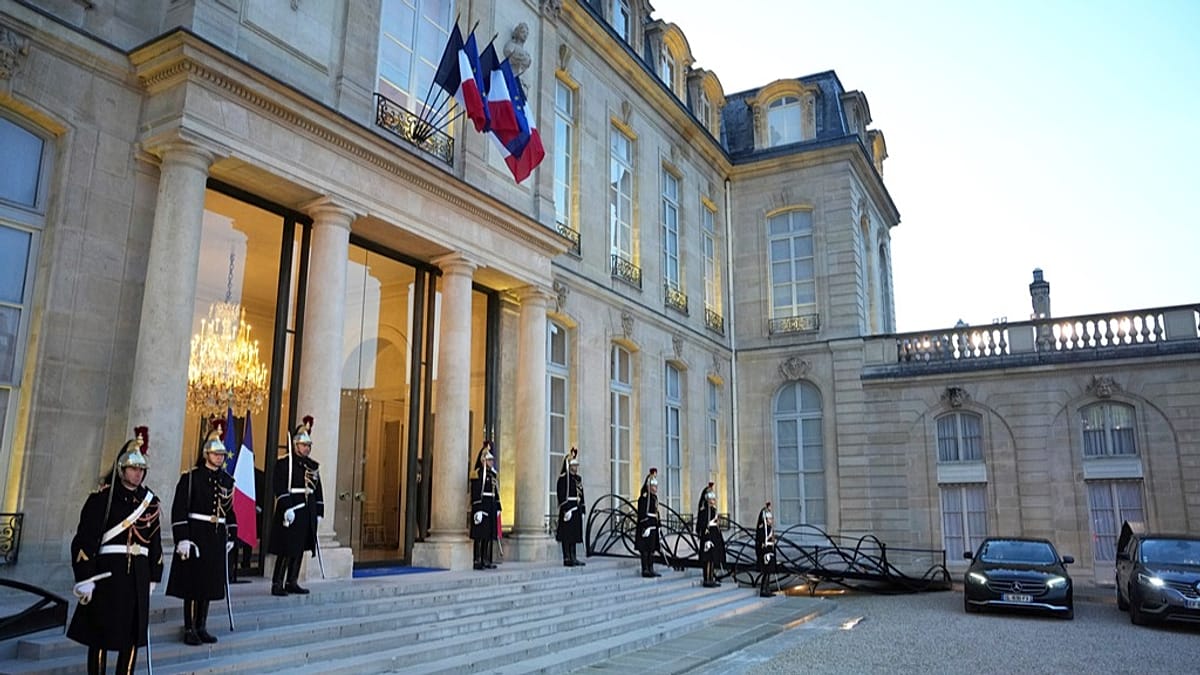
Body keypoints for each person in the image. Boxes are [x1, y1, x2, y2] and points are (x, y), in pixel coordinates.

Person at [67, 428, 163, 675]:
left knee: (132, 636)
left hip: (138, 575)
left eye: (141, 469)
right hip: (109, 574)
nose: (138, 473)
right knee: (100, 634)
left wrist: (154, 574)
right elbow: (85, 539)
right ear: (121, 469)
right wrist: (85, 576)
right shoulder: (103, 498)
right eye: (133, 468)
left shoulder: (150, 502)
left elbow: (154, 542)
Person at [166, 420, 238, 645]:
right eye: (216, 454)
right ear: (206, 453)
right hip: (196, 535)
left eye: (221, 455)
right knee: (193, 584)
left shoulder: (227, 480)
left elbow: (229, 510)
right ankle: (189, 627)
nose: (219, 458)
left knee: (208, 584)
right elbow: (179, 509)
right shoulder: (191, 478)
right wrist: (182, 538)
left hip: (215, 536)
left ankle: (201, 625)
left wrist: (231, 534)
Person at [268, 415, 323, 596]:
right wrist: (287, 507)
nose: (306, 448)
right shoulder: (284, 463)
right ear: (295, 444)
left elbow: (318, 490)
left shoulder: (312, 466)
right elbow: (279, 486)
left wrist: (319, 512)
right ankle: (277, 583)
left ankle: (292, 581)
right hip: (291, 510)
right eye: (303, 445)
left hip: (307, 511)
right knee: (286, 548)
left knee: (299, 548)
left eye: (308, 445)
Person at [469, 441, 501, 570]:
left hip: (490, 506)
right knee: (479, 535)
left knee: (488, 535)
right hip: (482, 506)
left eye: (492, 460)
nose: (491, 462)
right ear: (483, 460)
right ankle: (477, 559)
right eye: (489, 460)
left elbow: (495, 491)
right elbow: (476, 492)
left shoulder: (492, 474)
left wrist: (498, 507)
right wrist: (478, 508)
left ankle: (486, 559)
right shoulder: (477, 473)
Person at [555, 447, 586, 567]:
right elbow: (561, 494)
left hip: (576, 508)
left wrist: (583, 509)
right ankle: (567, 557)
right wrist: (566, 509)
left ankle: (574, 556)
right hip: (568, 509)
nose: (575, 467)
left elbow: (581, 494)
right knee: (566, 535)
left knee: (574, 534)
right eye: (573, 465)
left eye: (576, 465)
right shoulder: (564, 478)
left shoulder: (578, 479)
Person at [696, 482, 724, 588]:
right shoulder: (705, 511)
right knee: (707, 558)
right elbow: (704, 525)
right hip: (708, 535)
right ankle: (707, 579)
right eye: (711, 498)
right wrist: (707, 538)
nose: (713, 500)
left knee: (713, 557)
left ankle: (711, 577)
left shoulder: (713, 509)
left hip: (714, 534)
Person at [635, 468, 662, 578]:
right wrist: (645, 526)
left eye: (656, 486)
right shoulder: (644, 498)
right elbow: (642, 513)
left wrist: (658, 525)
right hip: (646, 525)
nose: (655, 488)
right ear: (648, 486)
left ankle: (651, 568)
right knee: (645, 549)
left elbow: (656, 512)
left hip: (653, 524)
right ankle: (645, 569)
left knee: (652, 548)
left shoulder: (654, 498)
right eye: (653, 486)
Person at [756, 501, 777, 597]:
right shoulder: (762, 528)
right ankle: (763, 589)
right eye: (769, 518)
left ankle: (767, 588)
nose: (771, 520)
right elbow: (761, 540)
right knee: (766, 571)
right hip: (765, 551)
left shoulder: (769, 528)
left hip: (770, 549)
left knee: (769, 571)